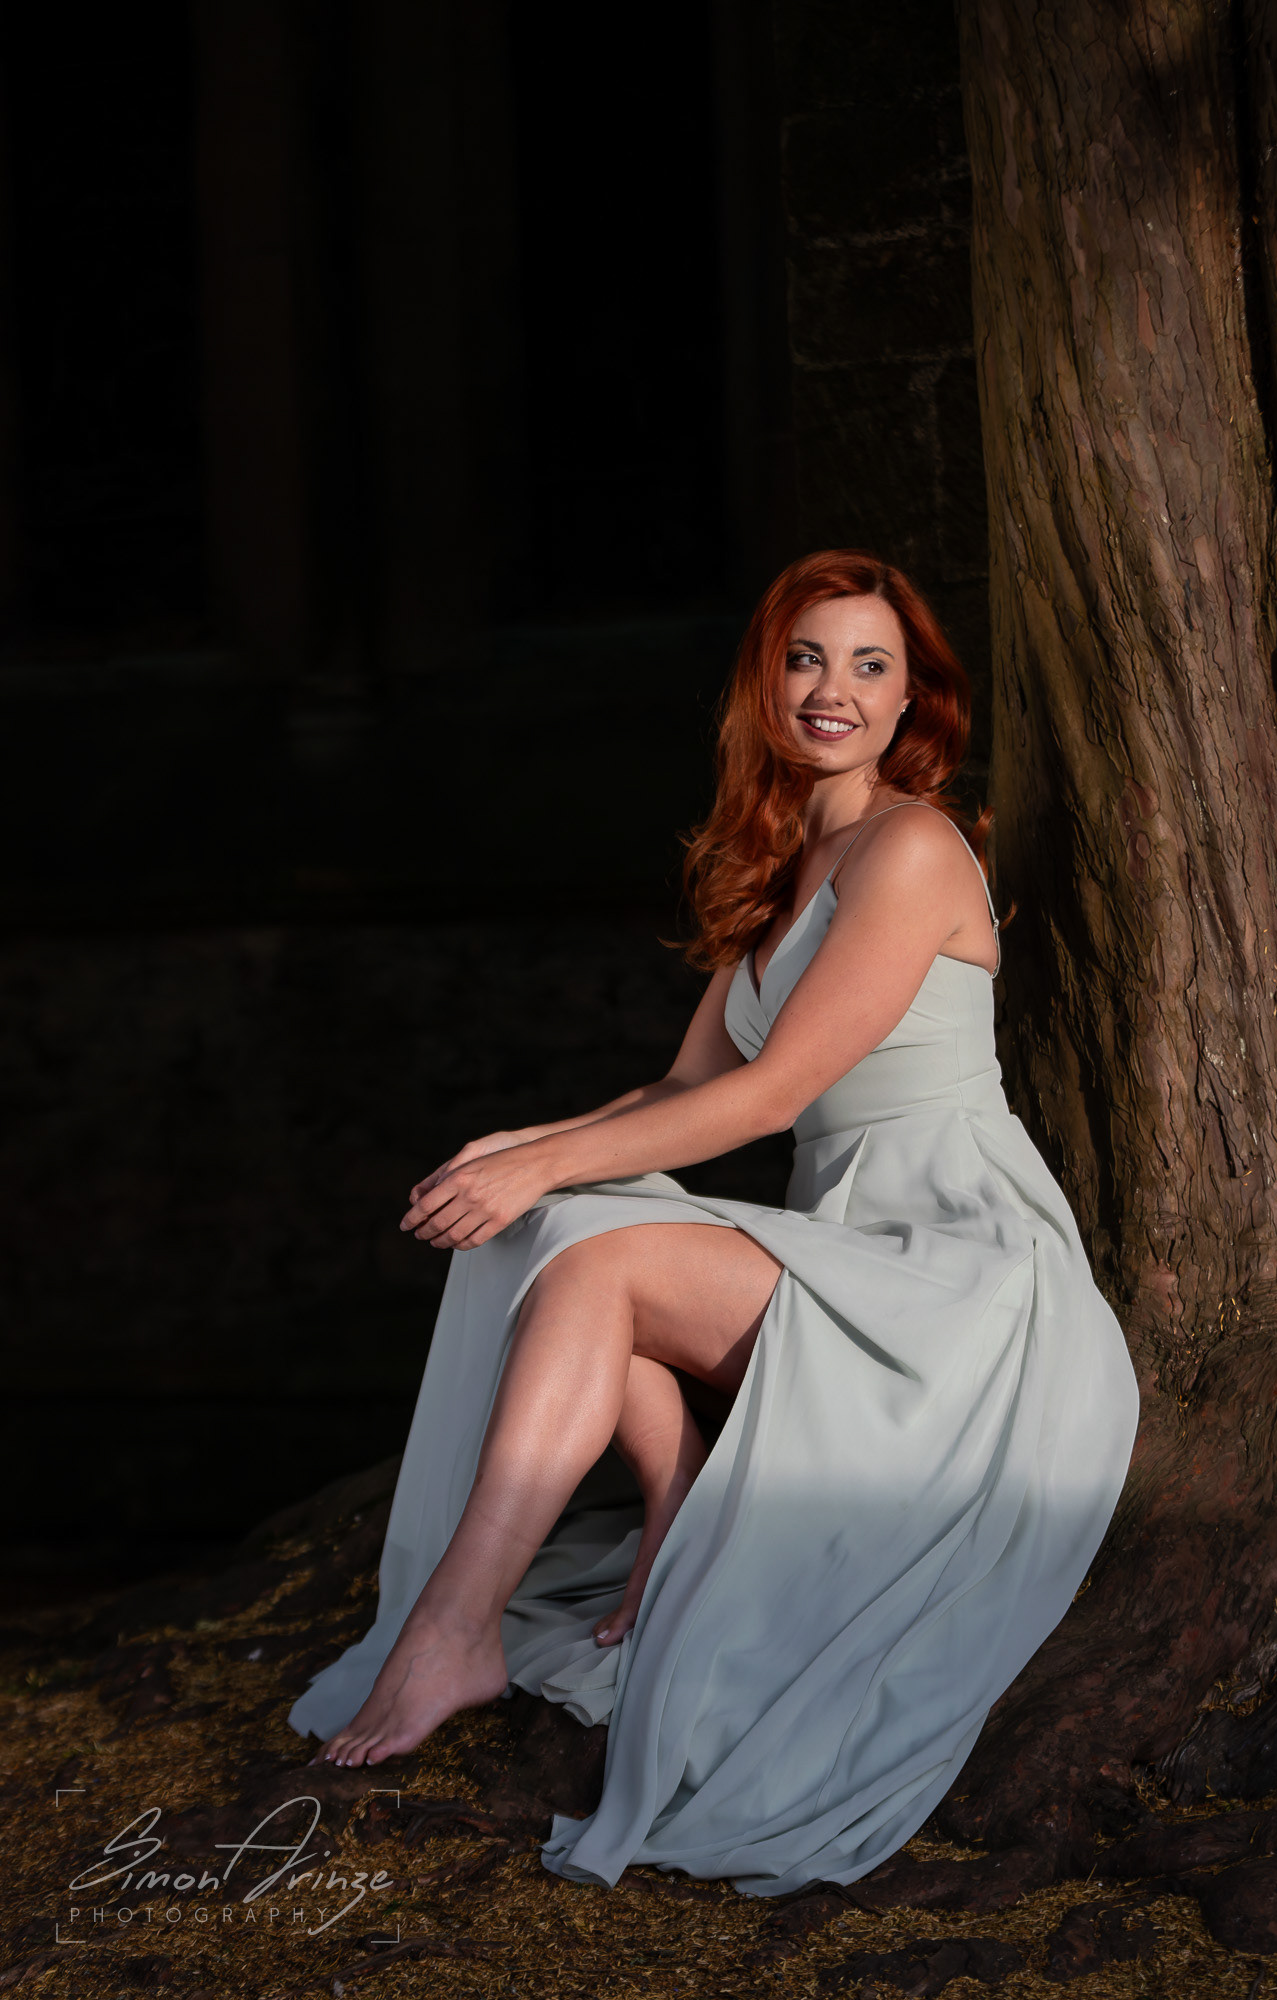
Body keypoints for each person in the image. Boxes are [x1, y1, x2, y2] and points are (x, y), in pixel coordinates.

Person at [289, 549, 1140, 1896]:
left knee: (598, 1242)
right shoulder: (783, 859)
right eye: (807, 658)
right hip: (849, 1250)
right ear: (766, 678)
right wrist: (532, 1150)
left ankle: (456, 1628)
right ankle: (670, 1513)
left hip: (960, 1273)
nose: (832, 690)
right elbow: (686, 1087)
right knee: (562, 1224)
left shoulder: (912, 844)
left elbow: (774, 1094)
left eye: (870, 665)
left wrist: (552, 1163)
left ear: (914, 697)